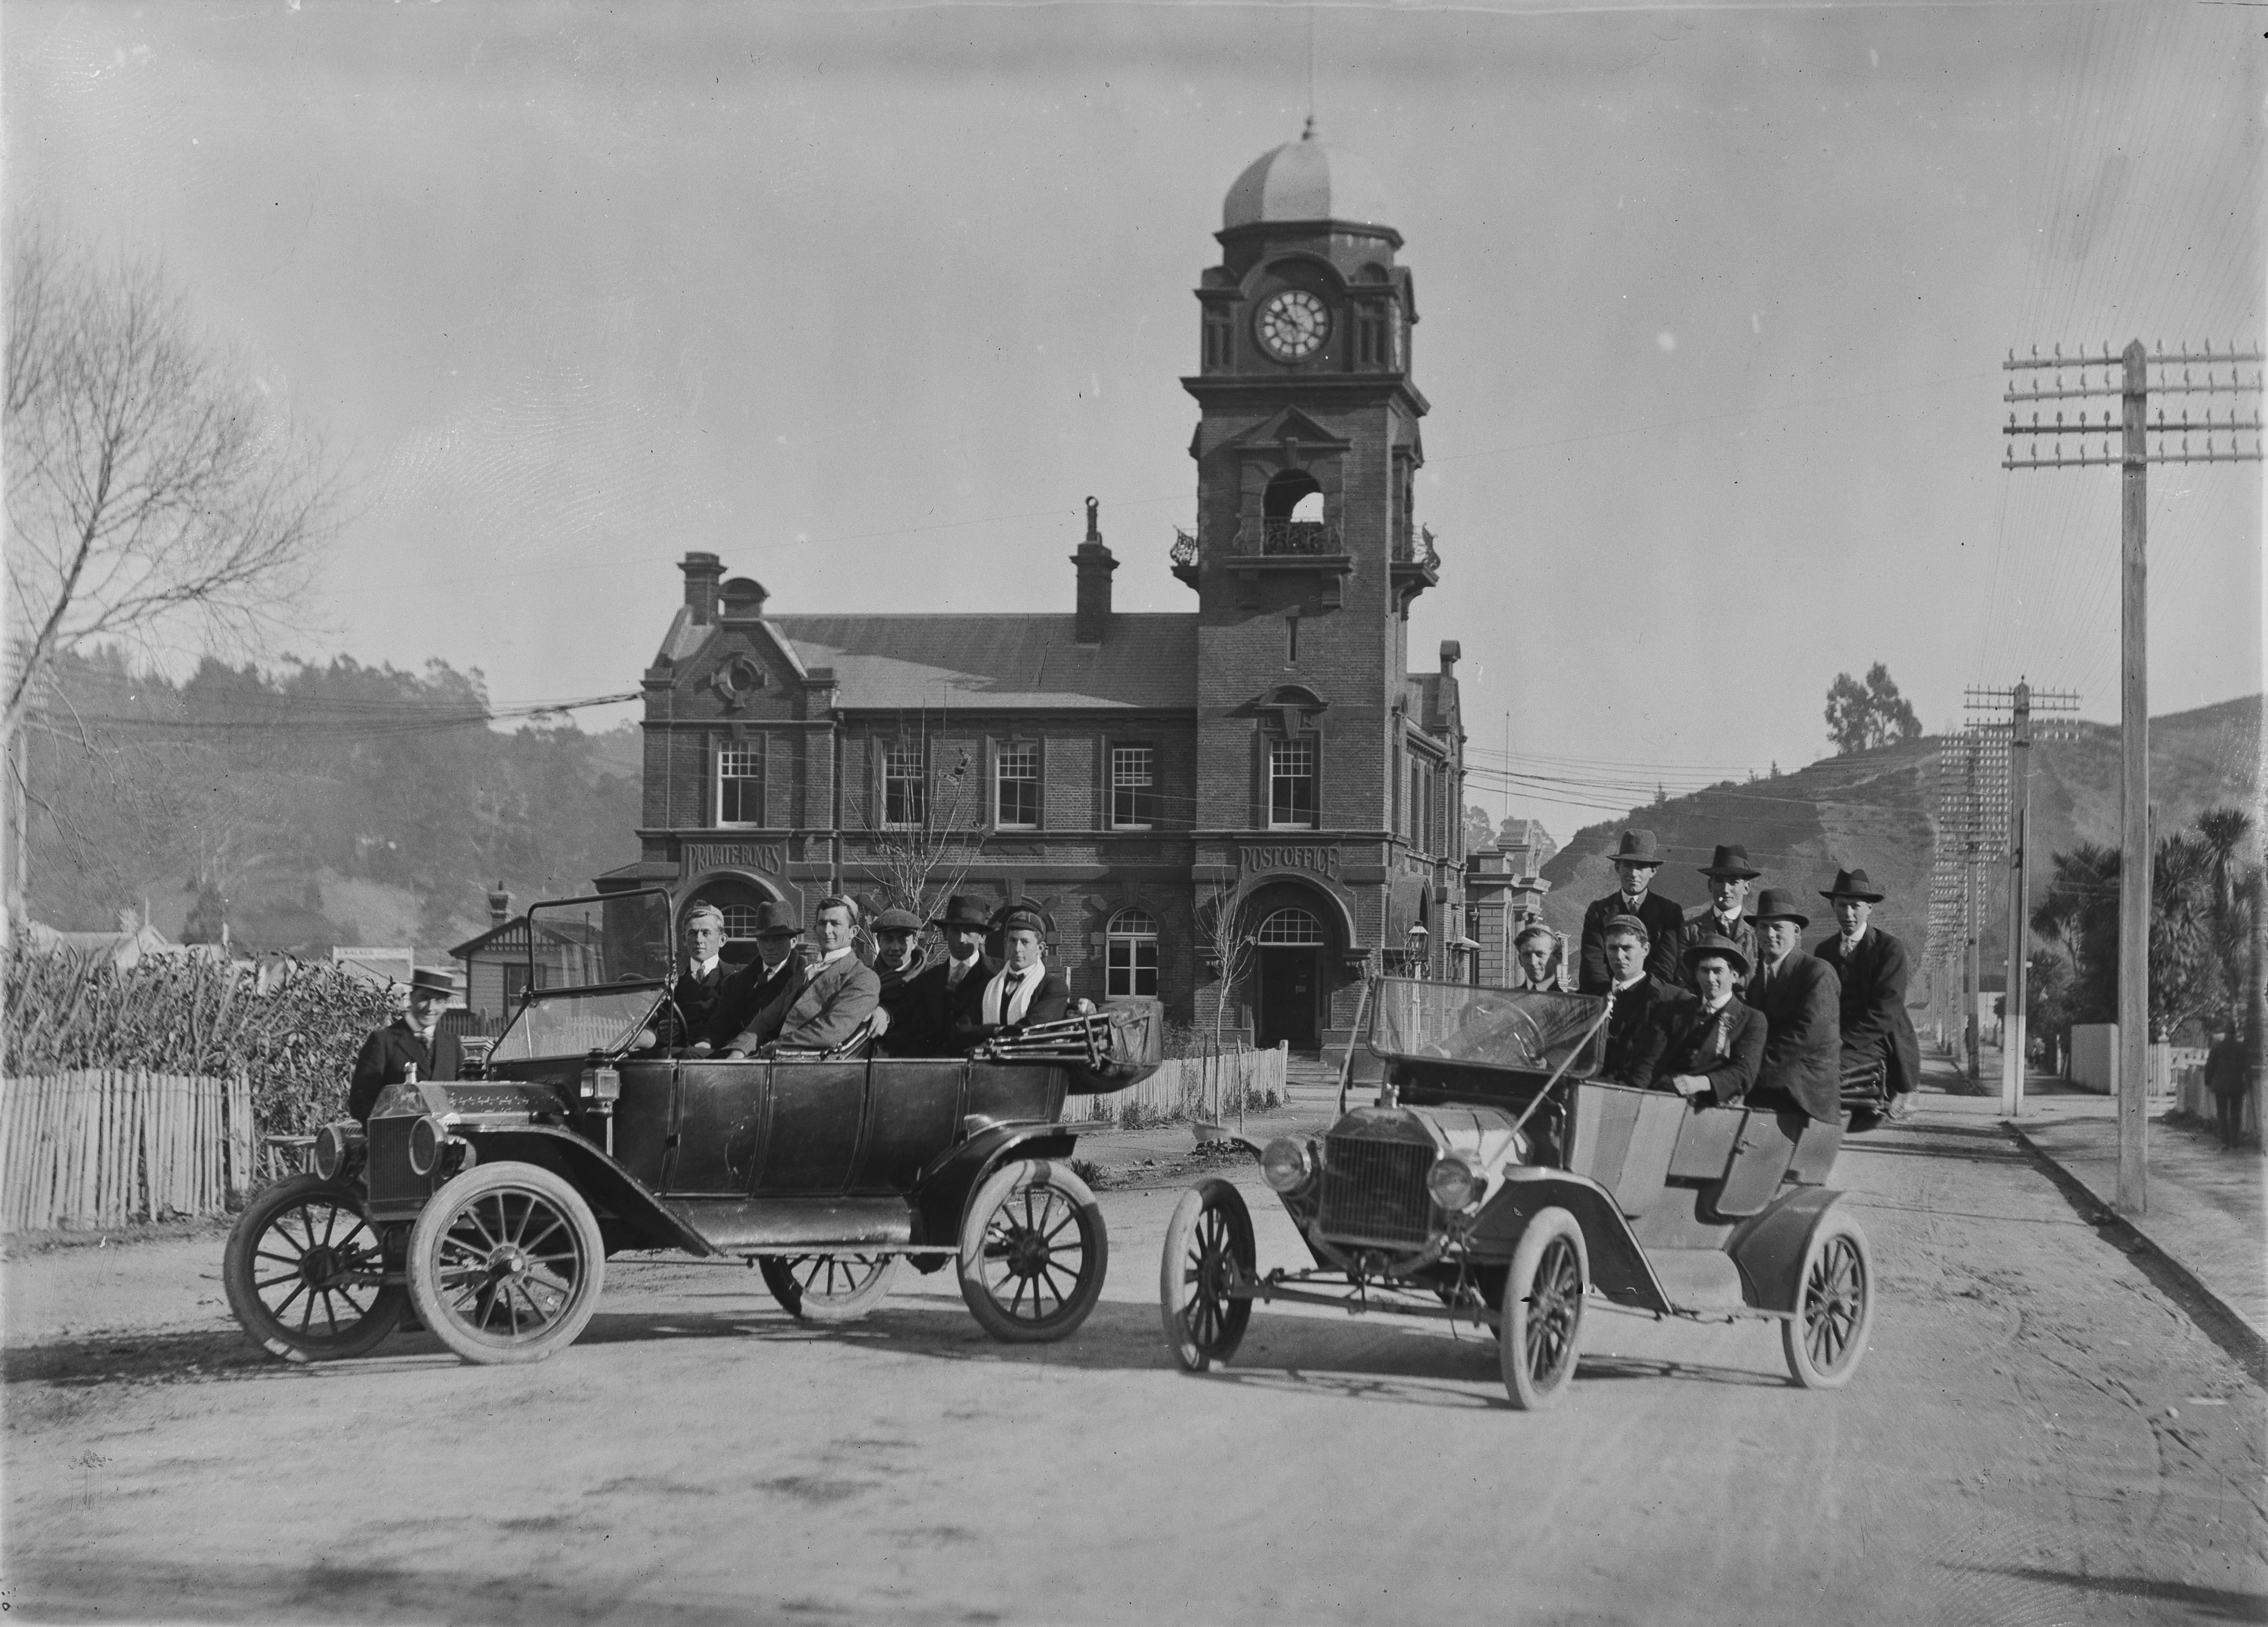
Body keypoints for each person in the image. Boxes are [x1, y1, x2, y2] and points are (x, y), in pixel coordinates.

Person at [1811, 867, 1923, 1124]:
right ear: (1832, 906)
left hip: (1879, 1040)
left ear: (1870, 908)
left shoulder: (1889, 949)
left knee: (1824, 1069)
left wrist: (1841, 1040)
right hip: (1834, 1039)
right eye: (1842, 906)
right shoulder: (1824, 950)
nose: (1849, 914)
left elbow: (1885, 1012)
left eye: (1856, 906)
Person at [720, 896, 881, 1057]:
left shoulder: (863, 978)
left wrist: (772, 1047)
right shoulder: (803, 974)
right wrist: (739, 1051)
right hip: (769, 1058)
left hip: (808, 1067)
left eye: (835, 923)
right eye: (822, 923)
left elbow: (830, 1031)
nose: (827, 931)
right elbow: (764, 1019)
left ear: (853, 931)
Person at [1742, 887, 1843, 1122]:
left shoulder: (1817, 972)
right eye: (1763, 927)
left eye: (1778, 927)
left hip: (1805, 1087)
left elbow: (1806, 1036)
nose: (1770, 934)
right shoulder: (1757, 983)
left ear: (1796, 931)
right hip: (1774, 1078)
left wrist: (1750, 1069)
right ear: (1755, 933)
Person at [1651, 937, 1767, 1104]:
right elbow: (1653, 1057)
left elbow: (1744, 1072)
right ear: (1697, 974)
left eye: (1717, 971)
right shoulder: (1676, 1010)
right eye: (1704, 971)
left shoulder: (1751, 1019)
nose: (1710, 978)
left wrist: (1700, 1083)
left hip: (1709, 1106)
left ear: (1734, 975)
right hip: (1662, 1097)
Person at [348, 966, 462, 1124]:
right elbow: (361, 1102)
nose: (431, 1008)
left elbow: (462, 1099)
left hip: (445, 1144)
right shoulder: (383, 1041)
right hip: (396, 1142)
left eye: (438, 1001)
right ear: (412, 998)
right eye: (425, 998)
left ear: (445, 1005)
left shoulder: (452, 1044)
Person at [1579, 829, 1684, 992]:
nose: (1634, 874)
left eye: (1641, 867)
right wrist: (1610, 993)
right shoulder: (1598, 911)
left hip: (1651, 1001)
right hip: (1608, 997)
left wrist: (1636, 996)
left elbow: (1665, 966)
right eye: (1627, 865)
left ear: (1653, 871)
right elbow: (1592, 963)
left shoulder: (1669, 912)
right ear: (1617, 867)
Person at [694, 901, 803, 1054]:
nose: (770, 946)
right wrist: (707, 1041)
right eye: (764, 940)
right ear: (757, 943)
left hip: (773, 1055)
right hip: (733, 1050)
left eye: (778, 939)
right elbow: (720, 1022)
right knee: (687, 1054)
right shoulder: (735, 982)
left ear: (793, 942)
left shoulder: (803, 980)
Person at [1595, 915, 1688, 1087]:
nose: (1619, 956)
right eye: (1613, 948)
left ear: (1645, 949)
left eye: (1627, 948)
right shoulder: (1594, 999)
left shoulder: (1672, 999)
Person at [905, 894, 999, 1056]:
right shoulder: (926, 981)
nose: (961, 939)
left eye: (969, 932)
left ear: (983, 936)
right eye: (955, 931)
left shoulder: (1000, 974)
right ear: (944, 934)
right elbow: (918, 1034)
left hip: (986, 1066)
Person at [973, 903, 1076, 1041]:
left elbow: (1032, 1028)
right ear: (1005, 944)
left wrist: (988, 1032)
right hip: (986, 1062)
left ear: (1040, 948)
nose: (1017, 949)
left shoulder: (1054, 987)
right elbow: (962, 1030)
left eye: (1025, 942)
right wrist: (994, 1030)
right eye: (1013, 941)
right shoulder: (989, 985)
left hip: (1032, 1062)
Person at [1671, 844, 1761, 995]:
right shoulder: (1690, 930)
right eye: (1719, 881)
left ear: (1746, 888)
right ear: (1710, 885)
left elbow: (1762, 981)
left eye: (1733, 882)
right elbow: (1683, 980)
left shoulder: (1759, 929)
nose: (1725, 890)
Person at [657, 904, 732, 1050]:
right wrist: (663, 1031)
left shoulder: (735, 977)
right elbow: (658, 1022)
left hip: (720, 1057)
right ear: (684, 940)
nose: (698, 939)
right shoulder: (673, 984)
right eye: (692, 933)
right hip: (679, 1054)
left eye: (706, 933)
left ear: (722, 940)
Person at [867, 907, 933, 1055]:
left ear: (915, 941)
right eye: (888, 939)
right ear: (878, 941)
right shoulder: (864, 979)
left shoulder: (928, 982)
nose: (895, 948)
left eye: (903, 940)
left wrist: (886, 1013)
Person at [2205, 1024, 2253, 1152]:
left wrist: (2208, 1082)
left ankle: (2226, 1142)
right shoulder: (2242, 1048)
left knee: (2222, 1114)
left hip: (2220, 1086)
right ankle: (2235, 1142)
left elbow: (2210, 1066)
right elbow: (2247, 1068)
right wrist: (2249, 1084)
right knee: (2236, 1114)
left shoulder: (2217, 1047)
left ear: (2225, 1034)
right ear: (2235, 1034)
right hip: (2237, 1086)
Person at [1512, 922, 1564, 992]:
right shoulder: (1508, 1000)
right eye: (1527, 955)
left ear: (1558, 957)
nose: (1533, 962)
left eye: (1540, 954)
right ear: (1520, 960)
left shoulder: (1569, 1002)